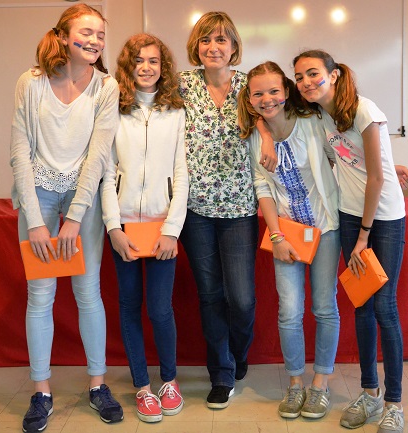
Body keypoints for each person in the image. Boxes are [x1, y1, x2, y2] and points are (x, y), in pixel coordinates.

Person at [10, 5, 123, 431]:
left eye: (100, 35)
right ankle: (41, 391)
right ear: (62, 35)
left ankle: (97, 385)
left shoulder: (106, 87)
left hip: (83, 198)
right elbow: (20, 151)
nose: (95, 41)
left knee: (88, 292)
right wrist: (35, 221)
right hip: (38, 194)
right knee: (40, 296)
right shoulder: (31, 81)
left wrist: (75, 217)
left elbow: (99, 155)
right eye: (86, 32)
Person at [294, 49, 407, 433]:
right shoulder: (321, 115)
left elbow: (376, 178)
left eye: (313, 73)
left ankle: (394, 403)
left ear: (334, 74)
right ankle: (370, 393)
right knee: (361, 304)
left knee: (384, 307)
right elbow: (350, 160)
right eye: (299, 77)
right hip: (348, 214)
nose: (306, 82)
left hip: (383, 219)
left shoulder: (364, 110)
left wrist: (363, 236)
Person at [237, 61, 341, 420]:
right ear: (250, 99)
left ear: (286, 91)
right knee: (290, 311)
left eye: (274, 91)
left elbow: (342, 156)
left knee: (324, 307)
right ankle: (296, 383)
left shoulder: (312, 122)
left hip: (325, 228)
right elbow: (262, 187)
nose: (267, 99)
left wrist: (387, 166)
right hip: (287, 236)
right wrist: (276, 235)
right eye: (258, 94)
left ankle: (320, 384)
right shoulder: (255, 137)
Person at [101, 33, 187, 423]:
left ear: (163, 66)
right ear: (128, 66)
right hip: (124, 228)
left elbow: (181, 174)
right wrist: (113, 227)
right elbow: (106, 174)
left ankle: (168, 381)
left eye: (153, 60)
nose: (147, 67)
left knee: (160, 308)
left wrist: (172, 229)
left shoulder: (176, 111)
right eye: (139, 61)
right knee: (129, 306)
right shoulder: (113, 110)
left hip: (162, 227)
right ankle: (142, 386)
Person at [177, 11, 258, 409]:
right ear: (196, 46)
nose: (213, 47)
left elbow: (280, 123)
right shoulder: (181, 85)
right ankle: (221, 373)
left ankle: (239, 352)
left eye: (221, 40)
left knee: (241, 299)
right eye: (206, 39)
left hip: (240, 208)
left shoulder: (249, 86)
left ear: (234, 46)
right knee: (210, 296)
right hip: (194, 210)